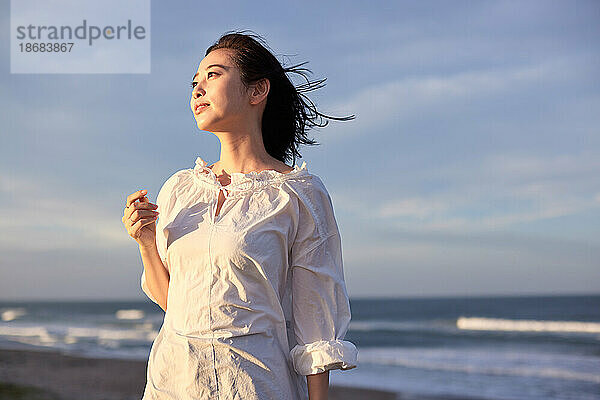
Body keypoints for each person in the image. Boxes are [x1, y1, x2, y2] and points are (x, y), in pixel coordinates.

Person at [122, 30, 358, 400]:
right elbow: (176, 303)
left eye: (213, 75)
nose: (197, 90)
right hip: (173, 384)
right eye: (194, 83)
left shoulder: (298, 194)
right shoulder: (180, 189)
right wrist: (147, 243)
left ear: (256, 91)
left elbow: (317, 324)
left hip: (256, 386)